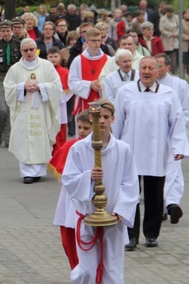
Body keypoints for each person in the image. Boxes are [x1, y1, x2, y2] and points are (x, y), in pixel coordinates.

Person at [113, 56, 187, 250]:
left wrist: (179, 147)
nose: (146, 72)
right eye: (143, 68)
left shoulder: (169, 94)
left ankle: (152, 233)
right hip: (130, 152)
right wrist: (113, 147)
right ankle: (130, 234)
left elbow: (177, 123)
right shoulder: (125, 92)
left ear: (157, 72)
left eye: (150, 69)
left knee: (154, 194)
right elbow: (117, 121)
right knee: (130, 195)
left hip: (157, 152)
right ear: (139, 70)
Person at [63, 100, 139, 284]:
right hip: (87, 217)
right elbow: (68, 180)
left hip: (113, 219)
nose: (102, 121)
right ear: (91, 117)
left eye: (106, 117)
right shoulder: (78, 149)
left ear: (113, 119)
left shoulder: (123, 149)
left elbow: (130, 183)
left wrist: (121, 210)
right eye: (99, 117)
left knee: (112, 271)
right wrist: (88, 176)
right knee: (87, 270)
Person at [4, 38, 62, 183]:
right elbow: (8, 88)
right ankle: (27, 173)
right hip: (23, 110)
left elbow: (56, 86)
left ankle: (39, 171)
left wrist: (40, 87)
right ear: (21, 51)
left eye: (31, 49)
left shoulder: (47, 66)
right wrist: (22, 86)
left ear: (36, 49)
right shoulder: (15, 69)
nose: (29, 53)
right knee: (24, 138)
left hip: (41, 109)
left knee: (41, 137)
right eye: (26, 50)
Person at [51, 111, 94, 270]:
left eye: (86, 128)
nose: (81, 131)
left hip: (93, 201)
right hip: (71, 199)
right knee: (69, 239)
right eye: (80, 127)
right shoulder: (71, 146)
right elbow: (65, 175)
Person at [155, 53, 189, 224]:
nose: (156, 69)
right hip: (155, 136)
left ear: (168, 67)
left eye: (160, 66)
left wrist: (176, 128)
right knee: (161, 170)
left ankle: (168, 206)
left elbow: (188, 110)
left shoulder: (179, 84)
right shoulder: (147, 85)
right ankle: (168, 205)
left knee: (173, 170)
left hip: (175, 135)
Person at [68, 28, 109, 116]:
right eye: (94, 41)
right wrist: (90, 84)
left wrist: (101, 84)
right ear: (86, 41)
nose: (97, 43)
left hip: (103, 101)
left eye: (99, 40)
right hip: (83, 103)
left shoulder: (108, 60)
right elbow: (72, 83)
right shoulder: (78, 60)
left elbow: (112, 82)